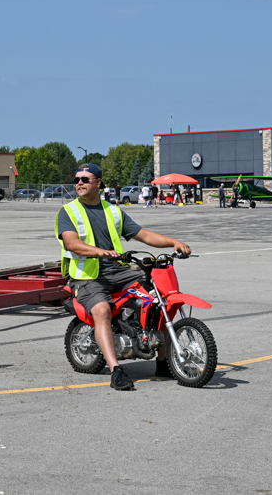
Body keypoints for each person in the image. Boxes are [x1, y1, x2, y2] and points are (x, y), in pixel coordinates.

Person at [55, 163, 191, 391]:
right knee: (102, 311)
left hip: (118, 270)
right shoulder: (68, 212)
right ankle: (115, 370)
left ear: (98, 182)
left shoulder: (113, 211)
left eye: (85, 179)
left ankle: (162, 361)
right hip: (86, 275)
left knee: (159, 296)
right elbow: (72, 243)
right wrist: (100, 252)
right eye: (77, 179)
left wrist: (174, 242)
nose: (79, 183)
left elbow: (144, 235)